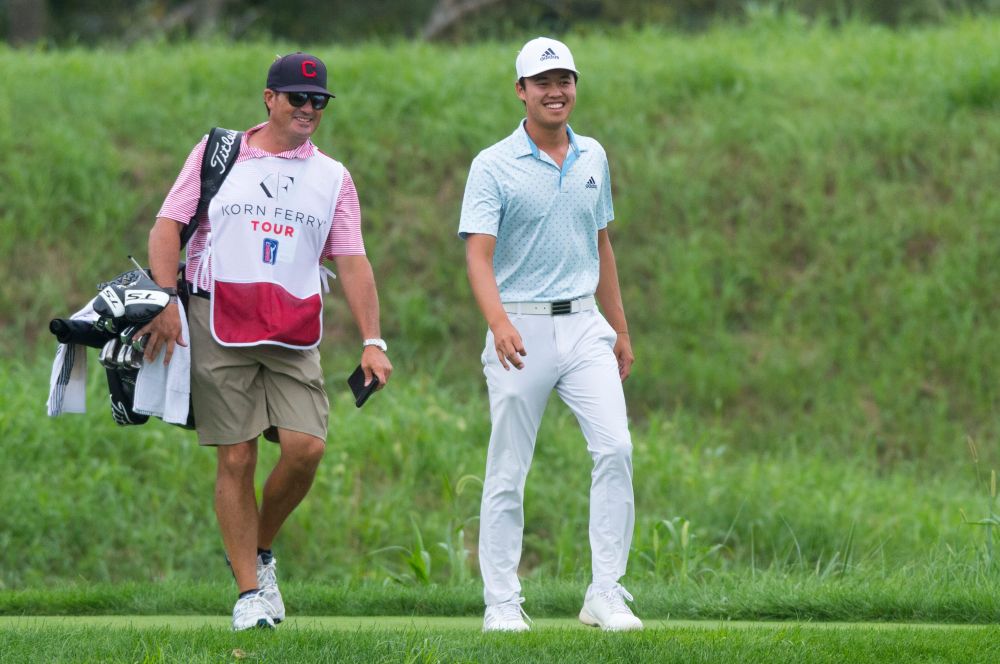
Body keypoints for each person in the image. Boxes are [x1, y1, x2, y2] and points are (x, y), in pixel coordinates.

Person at [137, 52, 392, 631]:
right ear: (269, 99)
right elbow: (167, 227)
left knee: (306, 448)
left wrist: (373, 339)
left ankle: (258, 551)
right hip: (216, 316)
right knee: (237, 455)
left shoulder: (334, 176)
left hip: (293, 328)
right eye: (297, 98)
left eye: (319, 101)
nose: (308, 109)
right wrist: (165, 299)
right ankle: (250, 594)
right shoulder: (217, 153)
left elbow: (352, 259)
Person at [459, 37, 642, 633]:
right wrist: (499, 322)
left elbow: (601, 244)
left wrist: (619, 328)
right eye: (542, 82)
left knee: (615, 449)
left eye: (564, 79)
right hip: (520, 324)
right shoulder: (492, 164)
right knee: (508, 468)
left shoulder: (594, 156)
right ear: (521, 91)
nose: (555, 91)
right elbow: (478, 257)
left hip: (585, 323)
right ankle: (502, 603)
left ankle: (606, 593)